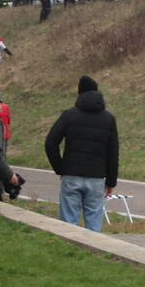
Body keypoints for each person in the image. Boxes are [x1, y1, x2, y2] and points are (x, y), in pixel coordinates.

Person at [44, 75, 119, 233]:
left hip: (71, 174)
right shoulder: (109, 118)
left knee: (68, 223)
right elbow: (113, 152)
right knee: (94, 222)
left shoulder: (69, 115)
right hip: (97, 177)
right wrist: (111, 181)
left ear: (79, 94)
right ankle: (93, 252)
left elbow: (50, 143)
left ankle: (68, 252)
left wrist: (61, 168)